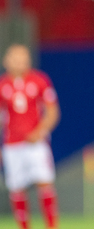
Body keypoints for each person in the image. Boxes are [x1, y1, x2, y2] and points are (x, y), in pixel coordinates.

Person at [0, 44, 60, 229]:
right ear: (6, 61)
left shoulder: (40, 80)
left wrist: (40, 132)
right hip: (12, 144)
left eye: (23, 58)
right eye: (15, 58)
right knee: (17, 188)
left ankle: (51, 226)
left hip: (36, 143)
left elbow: (52, 112)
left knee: (45, 182)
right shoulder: (2, 85)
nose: (20, 62)